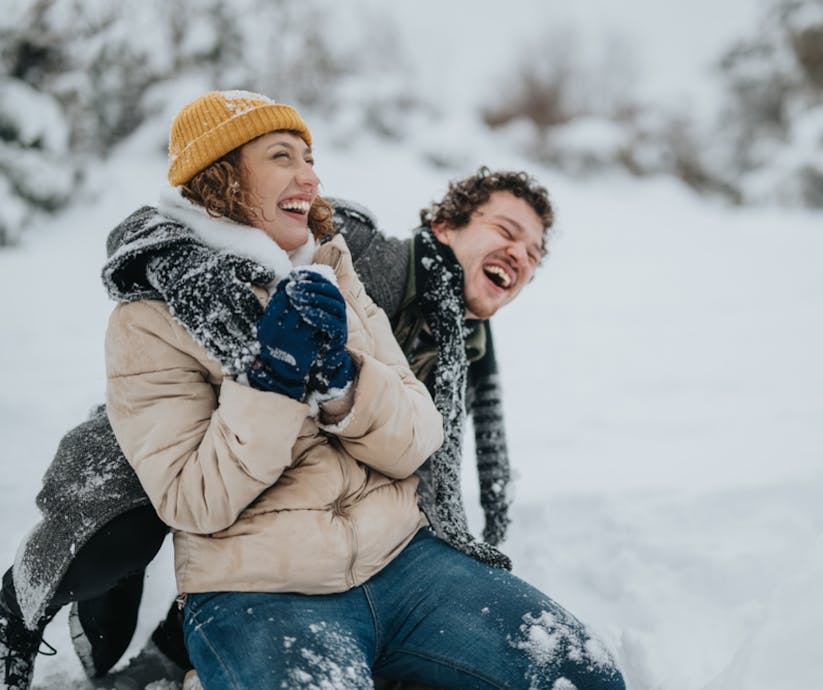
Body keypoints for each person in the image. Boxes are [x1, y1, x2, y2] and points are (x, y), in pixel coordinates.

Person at [0, 91, 625, 689]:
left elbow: (418, 440)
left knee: (585, 672)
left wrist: (342, 384)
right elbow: (189, 495)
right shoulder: (167, 310)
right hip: (260, 586)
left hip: (402, 564)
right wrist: (269, 377)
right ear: (222, 175)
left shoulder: (343, 275)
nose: (311, 178)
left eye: (311, 160)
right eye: (282, 156)